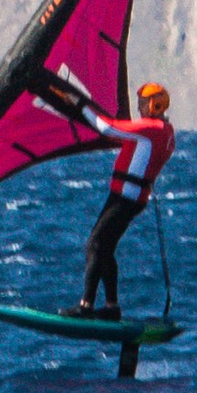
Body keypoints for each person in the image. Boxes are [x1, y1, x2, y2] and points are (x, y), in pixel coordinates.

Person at [70, 79, 172, 314]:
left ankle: (86, 305)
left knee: (95, 245)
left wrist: (79, 104)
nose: (139, 107)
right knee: (104, 248)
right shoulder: (163, 131)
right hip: (129, 197)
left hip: (126, 198)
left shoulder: (153, 129)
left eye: (143, 103)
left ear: (156, 105)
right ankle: (111, 306)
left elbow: (107, 129)